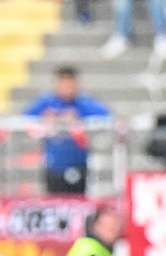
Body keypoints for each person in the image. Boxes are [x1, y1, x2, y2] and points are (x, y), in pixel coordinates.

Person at [24, 66, 109, 194]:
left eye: (70, 84)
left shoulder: (84, 103)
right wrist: (45, 120)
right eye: (63, 84)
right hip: (54, 165)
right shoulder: (47, 103)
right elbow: (25, 119)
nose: (67, 88)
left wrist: (79, 120)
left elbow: (105, 117)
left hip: (79, 163)